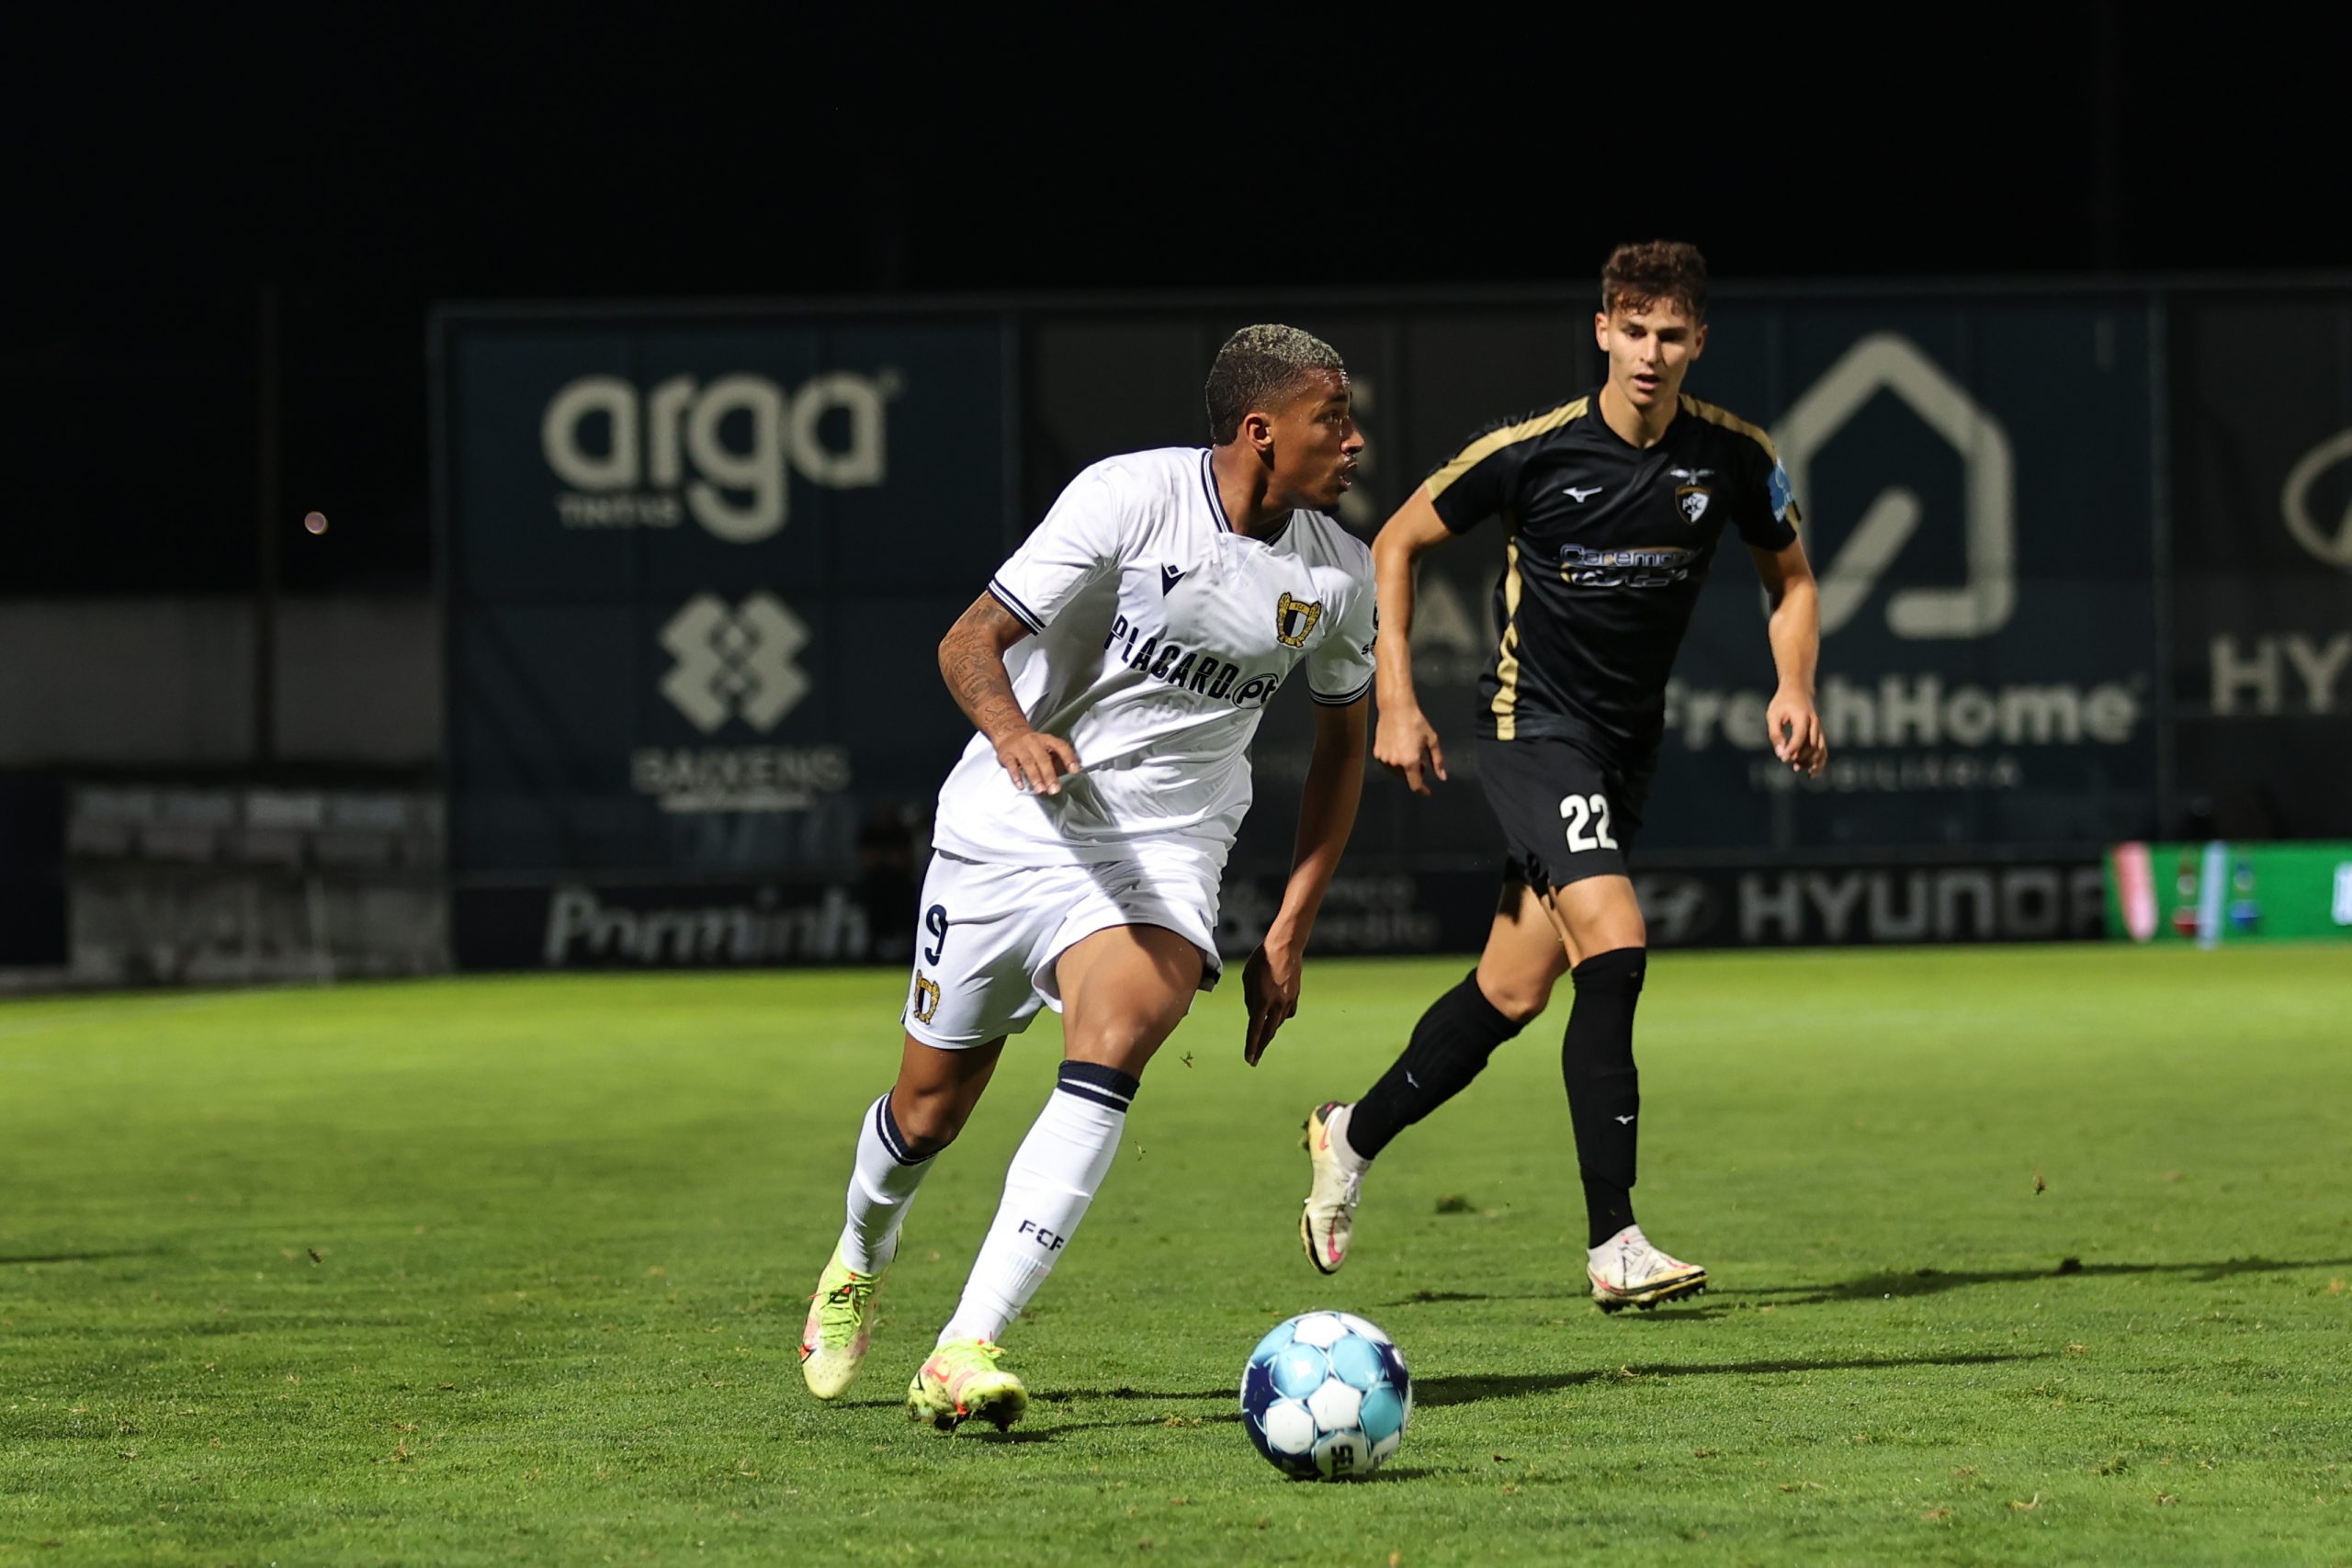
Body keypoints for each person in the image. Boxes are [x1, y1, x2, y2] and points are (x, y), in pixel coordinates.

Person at [800, 325, 1377, 1431]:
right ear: (1260, 431)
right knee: (927, 1112)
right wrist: (1014, 734)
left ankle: (963, 1347)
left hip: (1161, 852)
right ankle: (859, 1252)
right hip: (1007, 829)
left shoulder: (1338, 576)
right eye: (1332, 419)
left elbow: (1343, 747)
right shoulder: (1126, 500)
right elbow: (967, 642)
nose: (1353, 439)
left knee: (1121, 1035)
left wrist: (1293, 923)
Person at [1299, 241, 1827, 1312]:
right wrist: (1392, 699)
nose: (1649, 353)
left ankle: (1348, 1135)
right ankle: (1614, 1241)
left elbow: (1791, 577)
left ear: (1697, 342)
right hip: (1539, 734)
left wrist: (1794, 685)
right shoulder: (1531, 452)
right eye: (1631, 330)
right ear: (1601, 331)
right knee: (1618, 948)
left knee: (1510, 990)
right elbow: (1393, 542)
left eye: (1670, 334)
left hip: (1625, 751)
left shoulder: (1731, 456)